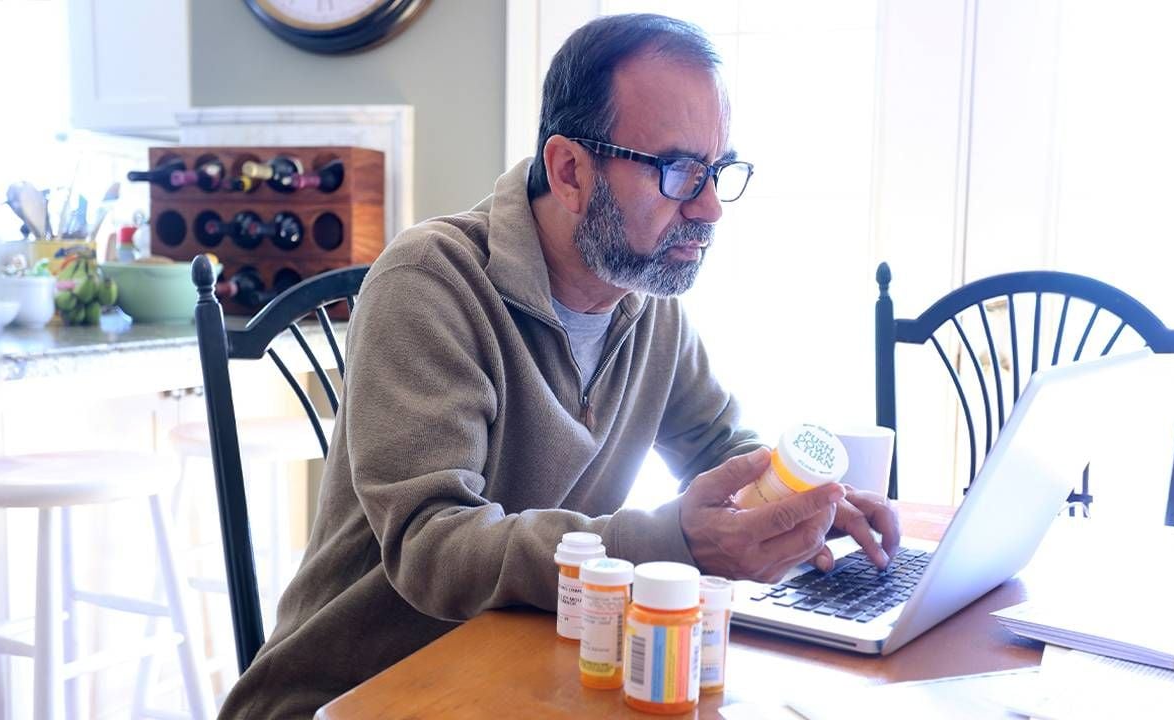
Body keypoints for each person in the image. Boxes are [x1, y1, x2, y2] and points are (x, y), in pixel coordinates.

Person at [218, 13, 899, 718]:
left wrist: (796, 499)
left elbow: (721, 444)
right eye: (679, 171)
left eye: (719, 170)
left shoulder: (644, 297)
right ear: (570, 170)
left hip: (524, 676)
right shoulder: (431, 282)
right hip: (358, 695)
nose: (710, 207)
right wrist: (666, 542)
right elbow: (431, 545)